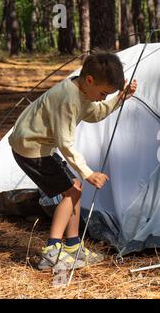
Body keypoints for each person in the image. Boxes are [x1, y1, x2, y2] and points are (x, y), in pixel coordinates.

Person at [8, 52, 137, 270]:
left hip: (39, 146)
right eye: (104, 93)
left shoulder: (82, 91)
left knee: (74, 188)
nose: (104, 98)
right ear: (89, 80)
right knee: (72, 190)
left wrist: (119, 98)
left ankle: (73, 246)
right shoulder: (67, 99)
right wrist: (88, 173)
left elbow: (96, 114)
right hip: (30, 148)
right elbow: (65, 144)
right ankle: (52, 252)